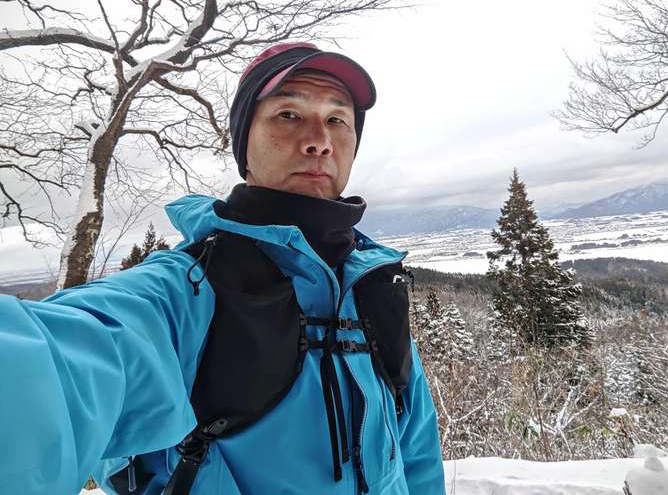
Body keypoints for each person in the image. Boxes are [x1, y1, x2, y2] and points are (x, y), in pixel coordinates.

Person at [0, 42, 445, 495]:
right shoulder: (189, 290)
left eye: (337, 120)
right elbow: (58, 364)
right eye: (288, 114)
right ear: (243, 144)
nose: (319, 140)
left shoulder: (371, 286)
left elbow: (417, 452)